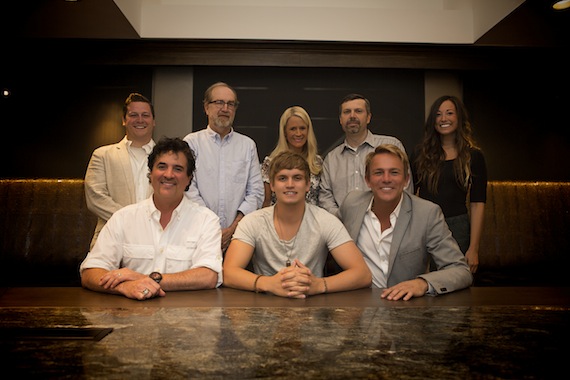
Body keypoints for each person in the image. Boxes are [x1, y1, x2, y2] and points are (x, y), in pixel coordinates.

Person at [80, 137, 223, 300]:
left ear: (189, 178)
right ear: (151, 173)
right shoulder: (124, 218)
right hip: (130, 318)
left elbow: (208, 276)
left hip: (187, 319)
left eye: (178, 169)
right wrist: (125, 286)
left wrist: (145, 279)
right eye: (162, 167)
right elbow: (90, 272)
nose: (168, 175)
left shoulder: (206, 220)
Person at [223, 151, 372, 299]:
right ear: (272, 185)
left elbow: (362, 274)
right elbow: (228, 273)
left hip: (312, 308)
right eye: (282, 178)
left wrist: (319, 285)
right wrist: (269, 284)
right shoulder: (252, 221)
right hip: (264, 307)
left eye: (297, 178)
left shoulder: (326, 220)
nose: (290, 185)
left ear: (308, 185)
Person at [340, 144, 472, 301]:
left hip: (404, 309)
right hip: (357, 307)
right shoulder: (351, 204)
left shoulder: (427, 213)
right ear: (367, 180)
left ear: (406, 179)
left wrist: (422, 283)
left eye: (394, 173)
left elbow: (460, 270)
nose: (386, 179)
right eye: (378, 173)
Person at [183, 82, 264, 252]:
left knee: (235, 278)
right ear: (206, 107)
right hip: (199, 234)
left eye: (230, 104)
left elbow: (256, 192)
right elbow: (188, 189)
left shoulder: (247, 145)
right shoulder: (191, 143)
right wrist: (213, 228)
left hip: (240, 237)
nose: (225, 108)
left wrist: (232, 229)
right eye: (219, 102)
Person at [410, 95, 487, 274]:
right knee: (423, 285)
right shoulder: (419, 154)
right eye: (438, 114)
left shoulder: (474, 156)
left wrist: (474, 249)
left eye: (449, 113)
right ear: (433, 121)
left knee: (455, 284)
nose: (444, 119)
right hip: (424, 225)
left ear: (459, 118)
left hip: (458, 227)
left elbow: (477, 204)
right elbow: (410, 196)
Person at [319, 93, 412, 217]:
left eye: (358, 111)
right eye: (347, 112)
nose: (352, 116)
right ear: (340, 119)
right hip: (344, 230)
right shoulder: (331, 159)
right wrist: (342, 218)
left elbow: (405, 186)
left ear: (368, 117)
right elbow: (325, 197)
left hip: (387, 226)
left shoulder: (392, 145)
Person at [84, 92, 156, 249]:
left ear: (153, 121)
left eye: (145, 115)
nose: (140, 120)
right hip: (112, 238)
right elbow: (96, 198)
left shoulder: (166, 157)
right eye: (133, 115)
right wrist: (133, 222)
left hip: (156, 239)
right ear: (124, 120)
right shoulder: (102, 155)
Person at [261, 106, 322, 207]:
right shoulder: (270, 163)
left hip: (312, 220)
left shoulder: (317, 162)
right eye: (293, 129)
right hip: (279, 220)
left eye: (302, 128)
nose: (298, 133)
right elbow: (266, 202)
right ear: (284, 132)